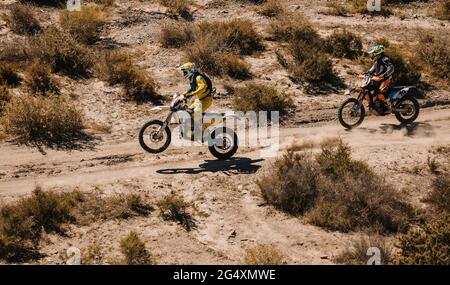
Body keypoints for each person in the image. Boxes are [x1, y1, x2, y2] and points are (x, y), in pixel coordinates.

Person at [179, 62, 214, 140]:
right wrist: (183, 95)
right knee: (188, 112)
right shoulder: (192, 78)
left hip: (206, 100)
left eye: (185, 71)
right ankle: (192, 129)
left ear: (190, 70)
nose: (184, 73)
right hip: (199, 100)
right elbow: (192, 89)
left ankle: (201, 131)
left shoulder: (198, 77)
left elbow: (203, 87)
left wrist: (192, 94)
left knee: (195, 115)